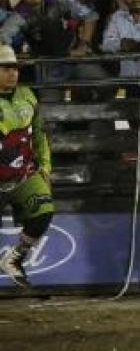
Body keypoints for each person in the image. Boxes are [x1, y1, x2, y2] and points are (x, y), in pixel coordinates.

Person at [0, 44, 53, 288]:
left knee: (43, 213)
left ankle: (14, 258)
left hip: (23, 173)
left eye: (15, 68)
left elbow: (40, 133)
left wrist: (45, 164)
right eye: (5, 68)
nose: (12, 73)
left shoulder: (27, 95)